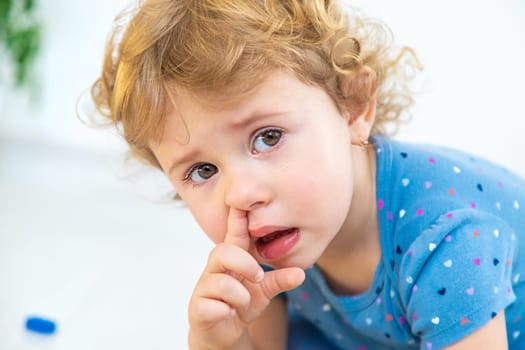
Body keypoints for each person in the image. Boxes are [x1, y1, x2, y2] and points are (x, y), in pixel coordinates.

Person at [90, 0, 525, 349]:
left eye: (268, 138)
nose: (240, 194)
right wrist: (221, 340)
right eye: (203, 170)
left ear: (353, 106)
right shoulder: (268, 235)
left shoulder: (444, 239)